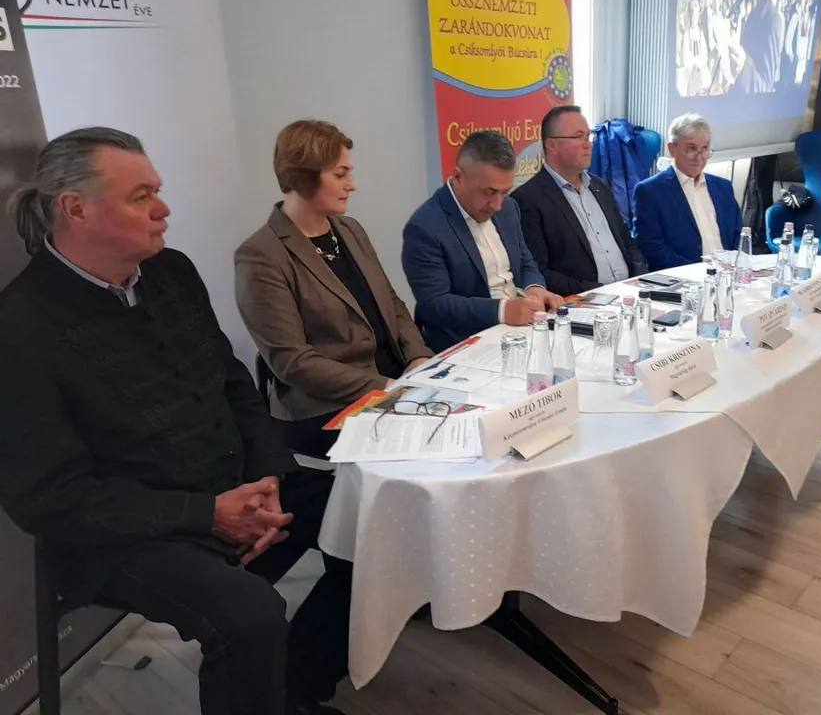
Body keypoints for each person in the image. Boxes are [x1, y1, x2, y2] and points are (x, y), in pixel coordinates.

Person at [0, 128, 351, 715]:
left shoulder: (172, 272)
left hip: (229, 491)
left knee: (362, 511)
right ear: (76, 209)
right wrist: (208, 515)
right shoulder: (18, 328)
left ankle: (295, 688)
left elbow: (234, 384)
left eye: (156, 192)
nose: (163, 210)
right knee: (249, 615)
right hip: (119, 538)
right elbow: (49, 498)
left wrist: (268, 476)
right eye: (141, 197)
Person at [235, 120, 434, 460]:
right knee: (429, 449)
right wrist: (385, 387)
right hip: (324, 406)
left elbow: (391, 302)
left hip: (394, 382)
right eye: (340, 175)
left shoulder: (350, 230)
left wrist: (418, 358)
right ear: (303, 176)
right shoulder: (260, 255)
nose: (351, 185)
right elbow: (291, 361)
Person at [402, 131, 562, 353]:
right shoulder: (425, 227)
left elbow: (525, 260)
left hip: (522, 329)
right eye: (489, 192)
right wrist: (502, 311)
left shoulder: (509, 208)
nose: (497, 205)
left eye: (504, 192)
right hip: (467, 342)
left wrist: (534, 287)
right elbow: (434, 304)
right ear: (458, 177)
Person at [510, 106, 647, 297]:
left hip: (631, 293)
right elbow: (539, 273)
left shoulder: (599, 186)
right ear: (552, 145)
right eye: (578, 136)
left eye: (588, 136)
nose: (588, 145)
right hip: (584, 300)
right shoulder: (527, 200)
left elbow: (627, 241)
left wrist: (639, 280)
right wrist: (602, 292)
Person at [631, 113, 743, 271]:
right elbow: (652, 247)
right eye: (692, 149)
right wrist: (697, 271)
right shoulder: (650, 191)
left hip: (728, 274)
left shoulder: (723, 187)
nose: (700, 158)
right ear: (672, 149)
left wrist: (733, 265)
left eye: (705, 149)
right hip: (683, 277)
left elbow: (739, 235)